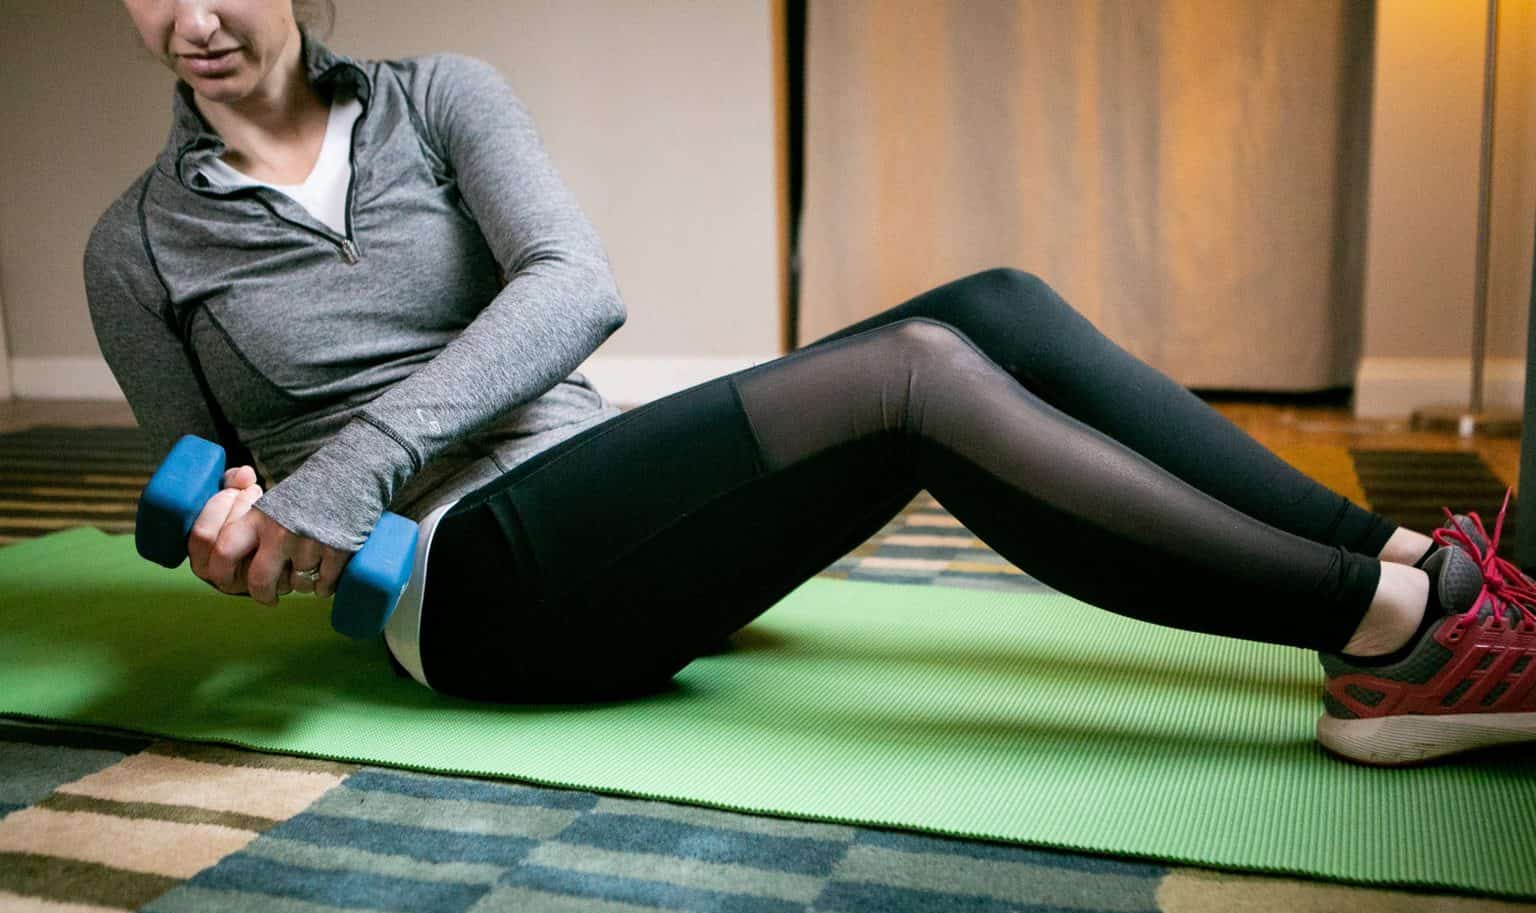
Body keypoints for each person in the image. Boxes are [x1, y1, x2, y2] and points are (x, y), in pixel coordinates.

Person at [88, 0, 1534, 768]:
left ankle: (1412, 563)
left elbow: (576, 289)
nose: (197, 17)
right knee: (911, 377)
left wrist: (357, 456)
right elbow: (218, 494)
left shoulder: (439, 98)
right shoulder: (136, 246)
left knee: (998, 308)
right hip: (468, 593)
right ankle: (1406, 637)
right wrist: (247, 537)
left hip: (605, 507)